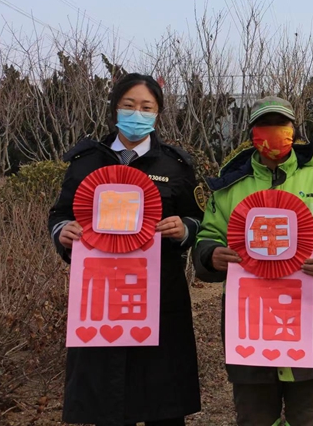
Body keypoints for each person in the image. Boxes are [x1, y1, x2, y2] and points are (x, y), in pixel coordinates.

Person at [192, 96, 313, 426]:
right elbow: (207, 237)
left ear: (294, 131)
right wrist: (210, 255)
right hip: (251, 332)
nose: (274, 132)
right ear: (252, 134)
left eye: (282, 124)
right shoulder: (229, 189)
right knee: (255, 419)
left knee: (311, 419)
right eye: (264, 125)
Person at [48, 73, 202, 426]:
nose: (137, 114)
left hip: (160, 294)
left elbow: (198, 219)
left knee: (162, 397)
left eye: (146, 107)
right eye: (128, 105)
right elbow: (61, 213)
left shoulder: (175, 166)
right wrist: (63, 232)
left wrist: (184, 229)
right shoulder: (86, 161)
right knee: (108, 398)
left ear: (158, 113)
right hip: (100, 299)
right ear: (114, 109)